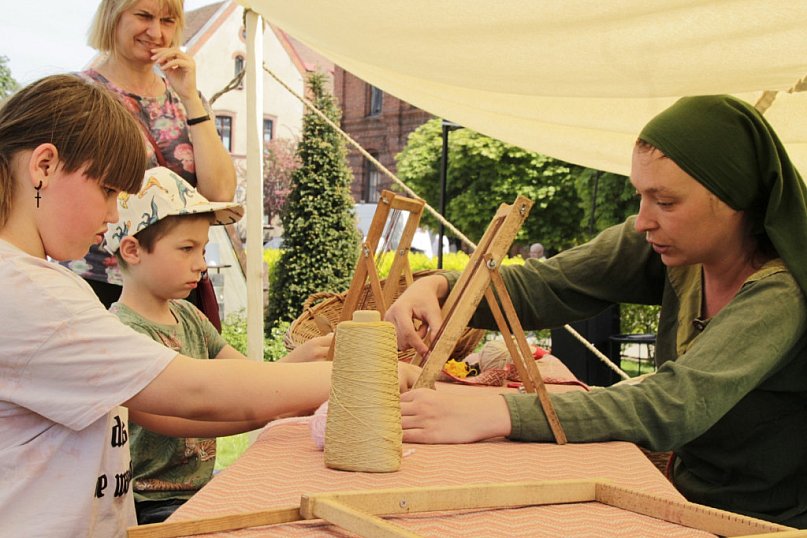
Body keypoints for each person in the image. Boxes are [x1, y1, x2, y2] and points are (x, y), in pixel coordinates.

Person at [0, 74, 420, 537]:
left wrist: (297, 380)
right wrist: (370, 374)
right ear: (43, 165)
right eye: (107, 190)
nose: (114, 215)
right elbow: (195, 391)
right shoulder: (23, 291)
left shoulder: (45, 283)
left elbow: (198, 400)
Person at [386, 95, 807, 528]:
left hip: (762, 523)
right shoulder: (677, 250)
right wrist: (441, 287)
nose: (643, 220)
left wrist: (498, 413)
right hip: (677, 496)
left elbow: (673, 404)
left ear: (736, 199)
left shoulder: (782, 293)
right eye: (640, 196)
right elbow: (547, 284)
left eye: (665, 202)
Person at [105, 166, 334, 524]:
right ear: (132, 250)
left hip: (198, 490)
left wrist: (299, 364)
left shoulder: (190, 316)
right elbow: (188, 417)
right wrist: (292, 392)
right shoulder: (118, 335)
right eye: (186, 249)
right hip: (148, 506)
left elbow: (244, 379)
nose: (201, 264)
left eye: (203, 249)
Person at [65, 0, 236, 311]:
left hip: (175, 286)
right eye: (143, 16)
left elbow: (219, 193)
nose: (156, 32)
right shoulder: (79, 95)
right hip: (101, 280)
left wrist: (190, 99)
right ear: (113, 17)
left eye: (168, 21)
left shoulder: (188, 99)